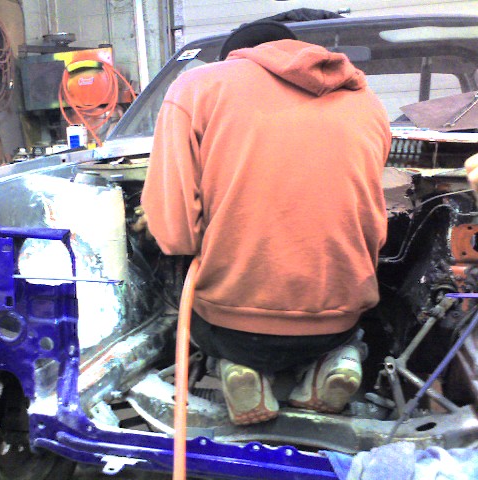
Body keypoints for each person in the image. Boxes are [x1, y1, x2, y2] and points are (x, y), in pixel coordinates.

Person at [139, 19, 392, 425]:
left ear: (234, 59)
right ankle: (335, 361)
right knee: (358, 325)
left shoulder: (198, 86)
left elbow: (175, 233)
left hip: (231, 324)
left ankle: (237, 368)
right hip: (338, 318)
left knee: (206, 317)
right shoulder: (366, 100)